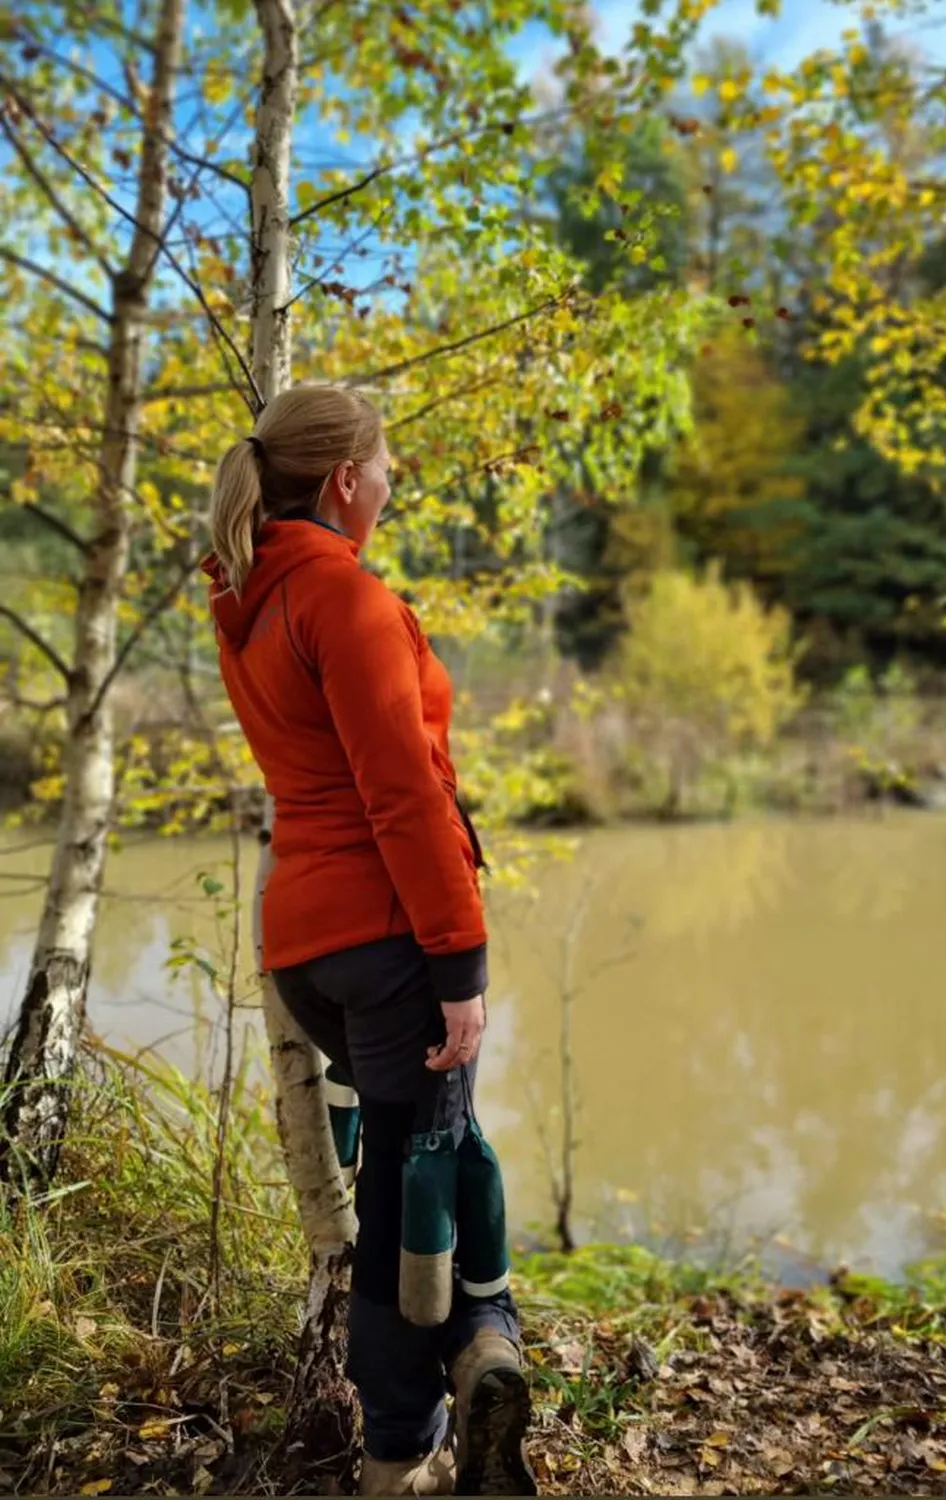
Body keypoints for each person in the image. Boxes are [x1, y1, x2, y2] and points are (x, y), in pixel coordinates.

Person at [203, 385, 536, 1498]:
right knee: (410, 1190)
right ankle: (403, 1443)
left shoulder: (250, 598)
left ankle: (481, 1344)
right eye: (384, 464)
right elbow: (406, 799)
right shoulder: (344, 600)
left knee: (422, 1154)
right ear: (345, 480)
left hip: (307, 943)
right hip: (390, 939)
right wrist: (461, 968)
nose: (392, 482)